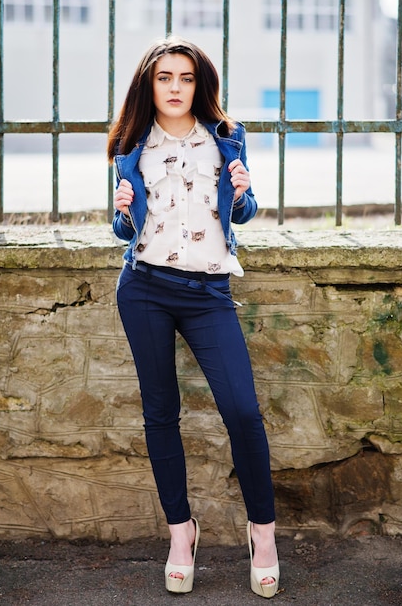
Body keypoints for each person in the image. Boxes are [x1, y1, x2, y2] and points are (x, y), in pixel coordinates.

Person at [107, 36, 279, 599]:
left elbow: (243, 214)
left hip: (208, 293)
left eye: (185, 78)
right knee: (161, 413)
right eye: (164, 78)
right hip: (145, 289)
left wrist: (245, 190)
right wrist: (121, 213)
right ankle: (181, 535)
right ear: (149, 85)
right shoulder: (132, 145)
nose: (175, 88)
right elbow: (124, 232)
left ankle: (264, 536)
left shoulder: (226, 140)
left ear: (199, 84)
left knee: (243, 412)